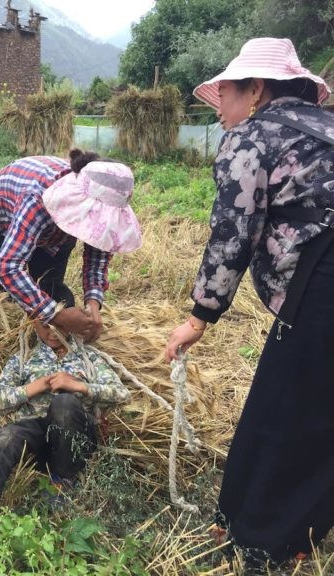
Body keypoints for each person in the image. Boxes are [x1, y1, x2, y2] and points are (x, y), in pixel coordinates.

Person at [164, 38, 334, 572]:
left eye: (226, 94)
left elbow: (233, 233)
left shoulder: (253, 137)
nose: (219, 107)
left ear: (256, 90)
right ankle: (298, 525)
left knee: (285, 412)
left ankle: (263, 538)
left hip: (324, 284)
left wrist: (200, 315)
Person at [0, 306, 130, 560]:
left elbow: (120, 393)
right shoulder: (23, 359)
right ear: (33, 323)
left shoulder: (88, 358)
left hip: (74, 436)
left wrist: (77, 386)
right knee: (5, 439)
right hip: (35, 432)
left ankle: (61, 481)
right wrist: (33, 387)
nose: (52, 332)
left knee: (63, 404)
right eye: (45, 325)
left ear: (71, 323)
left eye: (60, 325)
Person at [0, 151, 142, 343]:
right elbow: (9, 268)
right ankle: (9, 340)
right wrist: (53, 315)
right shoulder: (37, 197)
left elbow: (97, 258)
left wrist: (93, 304)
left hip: (49, 230)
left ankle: (47, 330)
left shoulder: (98, 217)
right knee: (4, 296)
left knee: (50, 286)